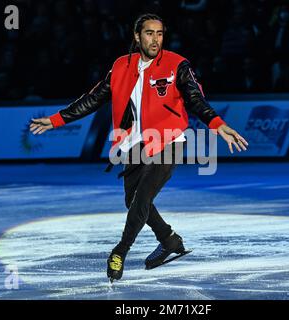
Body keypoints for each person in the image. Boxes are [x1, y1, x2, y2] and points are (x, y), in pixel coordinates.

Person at [29, 13, 248, 281]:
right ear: (137, 36)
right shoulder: (122, 65)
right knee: (132, 201)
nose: (155, 39)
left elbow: (195, 98)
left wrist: (217, 123)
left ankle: (120, 251)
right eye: (149, 33)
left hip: (169, 140)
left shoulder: (177, 64)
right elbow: (94, 98)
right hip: (132, 143)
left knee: (142, 199)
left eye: (159, 34)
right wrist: (56, 120)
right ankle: (169, 240)